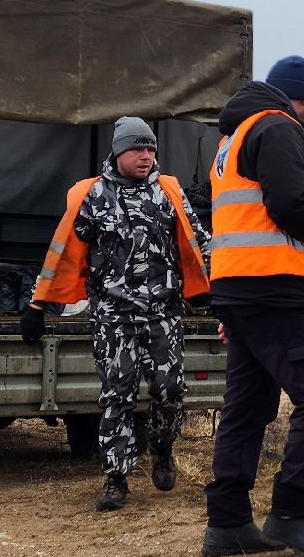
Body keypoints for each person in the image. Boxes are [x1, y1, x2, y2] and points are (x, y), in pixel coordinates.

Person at [200, 56, 304, 557]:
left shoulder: (231, 140)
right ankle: (291, 512)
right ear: (303, 97)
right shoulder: (281, 128)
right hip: (276, 287)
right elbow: (289, 204)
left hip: (237, 288)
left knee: (248, 404)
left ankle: (227, 523)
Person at [27, 116, 209, 511]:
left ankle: (161, 449)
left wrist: (223, 289)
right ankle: (116, 479)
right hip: (113, 315)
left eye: (150, 149)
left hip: (164, 313)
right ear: (118, 151)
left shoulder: (168, 193)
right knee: (117, 393)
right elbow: (63, 250)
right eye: (137, 149)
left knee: (170, 389)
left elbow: (199, 243)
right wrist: (38, 304)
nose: (145, 156)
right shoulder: (90, 196)